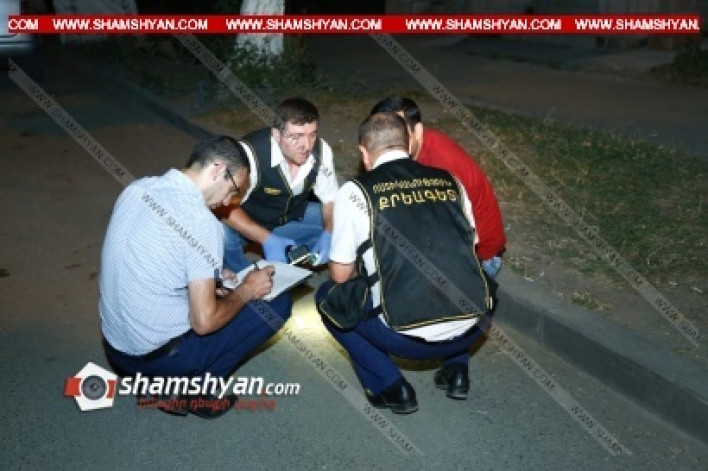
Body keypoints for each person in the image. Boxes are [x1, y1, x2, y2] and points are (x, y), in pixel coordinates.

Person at [99, 136, 292, 419]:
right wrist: (247, 289)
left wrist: (214, 278)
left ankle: (156, 385)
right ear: (217, 169)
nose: (227, 202)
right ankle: (194, 391)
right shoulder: (200, 220)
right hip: (161, 359)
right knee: (277, 304)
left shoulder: (137, 188)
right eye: (232, 190)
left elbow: (153, 260)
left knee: (224, 295)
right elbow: (204, 323)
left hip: (117, 351)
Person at [316, 113, 494, 414]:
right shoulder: (450, 181)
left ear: (364, 152)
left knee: (328, 298)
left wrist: (369, 266)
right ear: (409, 145)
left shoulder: (356, 192)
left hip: (407, 339)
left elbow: (341, 275)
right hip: (474, 326)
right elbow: (468, 248)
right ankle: (457, 370)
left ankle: (390, 386)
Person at [370, 96, 506, 278]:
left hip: (478, 258)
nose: (391, 144)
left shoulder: (440, 165)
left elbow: (449, 236)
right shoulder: (411, 153)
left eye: (399, 132)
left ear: (418, 131)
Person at [222, 97, 339, 271]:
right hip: (250, 220)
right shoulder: (249, 155)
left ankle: (299, 255)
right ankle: (241, 277)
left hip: (291, 215)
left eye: (312, 134)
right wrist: (266, 238)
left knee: (345, 219)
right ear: (276, 134)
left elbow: (330, 199)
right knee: (221, 234)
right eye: (296, 137)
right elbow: (223, 207)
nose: (307, 145)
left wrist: (329, 233)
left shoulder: (321, 151)